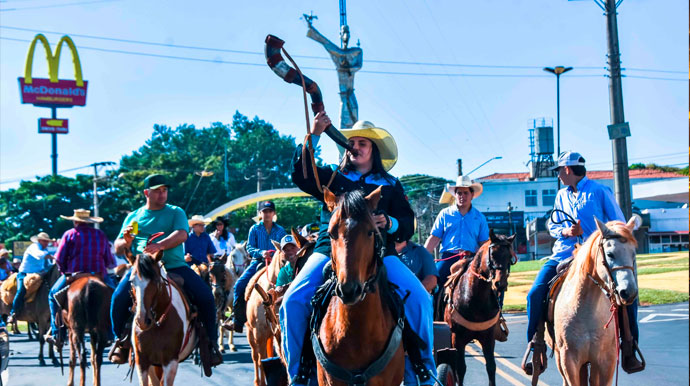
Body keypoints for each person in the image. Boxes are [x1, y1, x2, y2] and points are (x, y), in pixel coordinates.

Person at [280, 112, 436, 386]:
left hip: (381, 254)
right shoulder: (333, 178)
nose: (356, 146)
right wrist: (314, 134)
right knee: (293, 300)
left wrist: (389, 222)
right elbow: (301, 175)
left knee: (421, 300)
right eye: (352, 142)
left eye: (363, 143)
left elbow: (408, 224)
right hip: (328, 250)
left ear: (373, 150)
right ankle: (299, 376)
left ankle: (423, 373)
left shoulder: (390, 185)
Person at [525, 151, 643, 373]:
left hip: (595, 258)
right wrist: (566, 230)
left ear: (567, 170)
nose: (559, 175)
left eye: (559, 171)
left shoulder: (600, 191)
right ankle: (535, 346)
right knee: (535, 293)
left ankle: (629, 346)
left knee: (628, 294)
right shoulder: (561, 195)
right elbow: (552, 225)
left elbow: (618, 225)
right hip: (563, 254)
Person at [108, 174, 223, 368]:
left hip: (174, 266)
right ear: (147, 193)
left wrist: (160, 246)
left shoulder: (175, 212)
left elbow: (181, 234)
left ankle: (211, 343)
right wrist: (126, 241)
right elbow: (118, 247)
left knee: (206, 296)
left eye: (165, 190)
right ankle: (120, 341)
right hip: (142, 268)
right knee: (118, 298)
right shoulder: (134, 217)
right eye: (157, 191)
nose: (162, 194)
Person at [43, 209, 116, 344]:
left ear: (75, 221)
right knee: (115, 297)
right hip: (98, 275)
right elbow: (109, 260)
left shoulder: (69, 234)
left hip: (75, 275)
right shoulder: (100, 234)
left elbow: (59, 258)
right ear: (88, 221)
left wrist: (65, 272)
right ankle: (113, 334)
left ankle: (57, 333)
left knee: (52, 296)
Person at [224, 201, 286, 333]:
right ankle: (238, 320)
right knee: (239, 285)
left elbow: (284, 248)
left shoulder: (280, 230)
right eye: (264, 211)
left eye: (269, 211)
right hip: (258, 262)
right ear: (260, 214)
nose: (267, 214)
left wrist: (275, 254)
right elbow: (250, 248)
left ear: (274, 213)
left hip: (277, 263)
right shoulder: (255, 229)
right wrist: (261, 253)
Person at [424, 175, 489, 289]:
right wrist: (422, 256)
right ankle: (433, 306)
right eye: (459, 193)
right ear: (455, 195)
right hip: (449, 258)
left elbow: (484, 243)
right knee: (434, 282)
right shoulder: (445, 214)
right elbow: (434, 238)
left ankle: (497, 305)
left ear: (472, 195)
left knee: (490, 282)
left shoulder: (480, 217)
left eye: (465, 193)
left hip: (472, 259)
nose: (462, 196)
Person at [7, 232, 53, 324]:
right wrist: (53, 256)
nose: (46, 243)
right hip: (25, 274)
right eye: (45, 241)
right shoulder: (34, 247)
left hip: (39, 275)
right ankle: (13, 313)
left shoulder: (45, 250)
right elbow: (39, 255)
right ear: (39, 241)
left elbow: (49, 264)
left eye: (47, 242)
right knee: (21, 290)